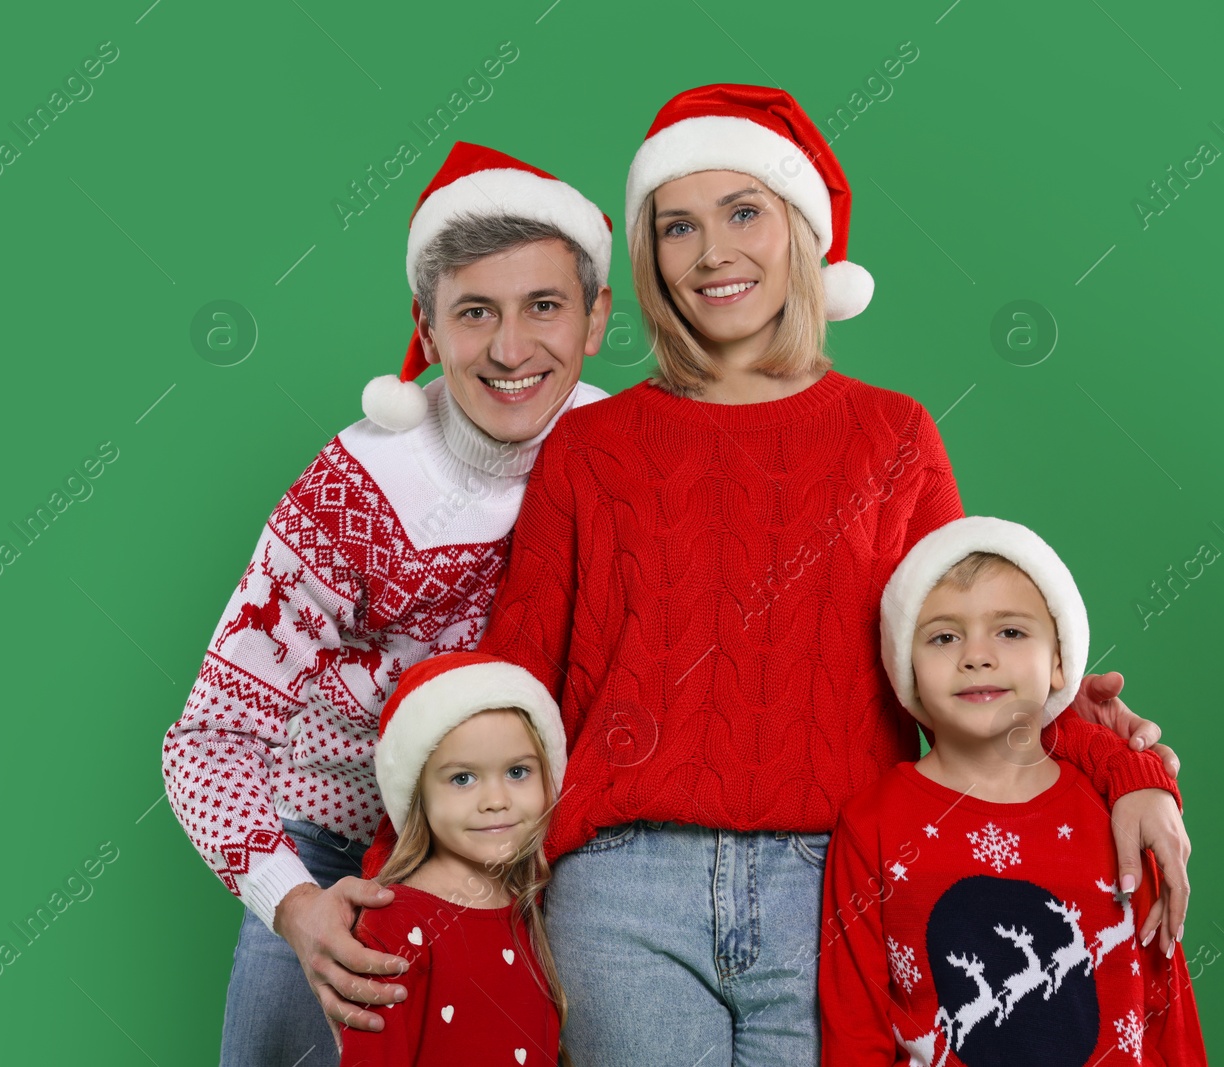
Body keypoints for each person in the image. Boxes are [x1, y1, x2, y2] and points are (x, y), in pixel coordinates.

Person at [362, 84, 1190, 1064]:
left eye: (743, 211)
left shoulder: (894, 437)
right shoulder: (587, 449)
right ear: (649, 255)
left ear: (799, 229)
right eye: (678, 226)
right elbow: (506, 687)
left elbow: (964, 664)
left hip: (840, 881)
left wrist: (1125, 767)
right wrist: (394, 875)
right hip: (622, 889)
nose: (712, 251)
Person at [159, 141, 615, 1066]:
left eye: (544, 308)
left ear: (596, 318)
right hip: (336, 854)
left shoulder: (624, 459)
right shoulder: (360, 485)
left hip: (541, 858)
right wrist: (296, 905)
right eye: (475, 312)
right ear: (426, 322)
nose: (512, 348)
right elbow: (207, 740)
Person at [819, 516, 1205, 1066]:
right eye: (944, 636)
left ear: (1057, 661)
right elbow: (855, 1028)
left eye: (1010, 631)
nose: (977, 655)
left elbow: (1166, 1006)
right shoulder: (872, 825)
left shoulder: (1113, 809)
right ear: (906, 664)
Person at [338, 651, 571, 1066]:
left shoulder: (534, 908)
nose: (496, 801)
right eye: (462, 778)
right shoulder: (395, 923)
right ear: (418, 795)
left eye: (518, 772)